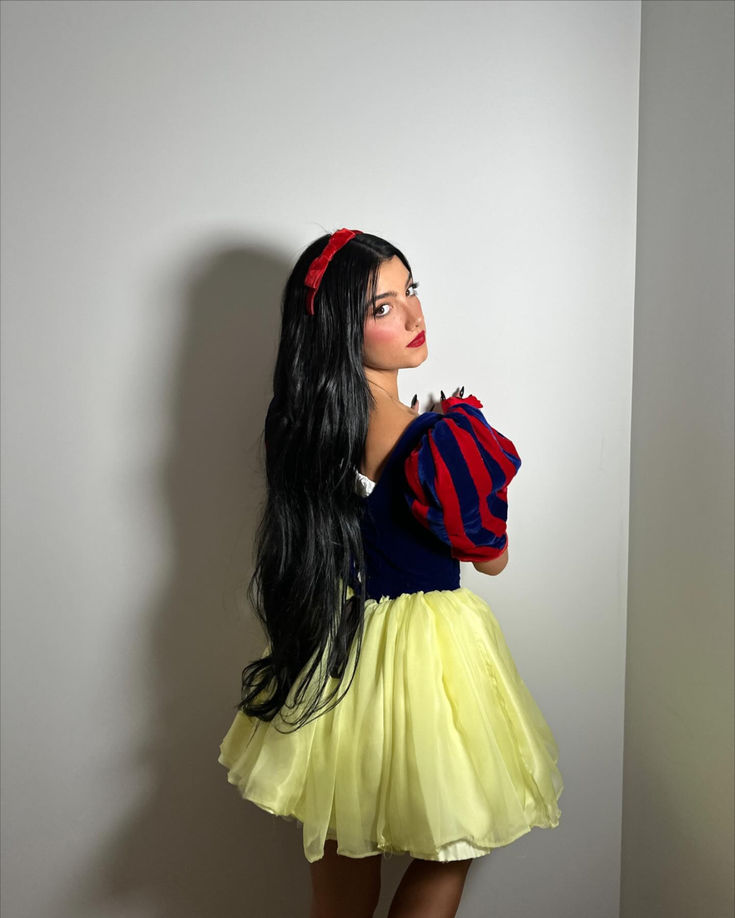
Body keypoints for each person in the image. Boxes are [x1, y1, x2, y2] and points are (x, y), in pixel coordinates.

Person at [218, 228, 563, 918]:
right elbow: (490, 556)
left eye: (410, 291)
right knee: (451, 842)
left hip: (336, 649)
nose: (412, 315)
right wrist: (457, 445)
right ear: (341, 328)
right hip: (424, 658)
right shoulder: (424, 441)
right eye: (381, 307)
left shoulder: (308, 426)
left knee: (346, 853)